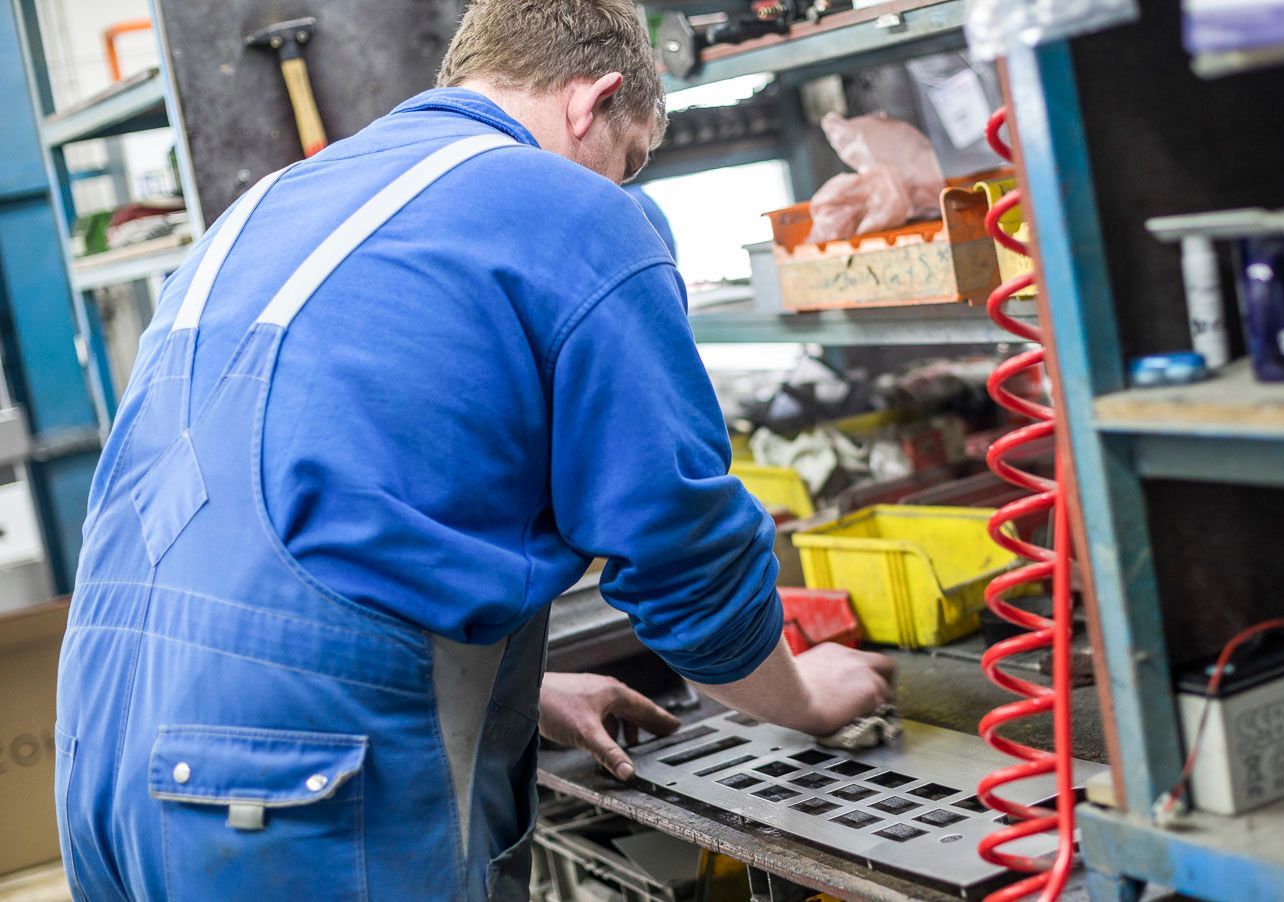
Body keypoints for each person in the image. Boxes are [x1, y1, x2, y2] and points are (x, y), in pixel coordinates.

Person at [54, 1, 893, 900]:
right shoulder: (574, 211)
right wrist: (800, 697)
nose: (623, 184)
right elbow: (679, 542)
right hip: (292, 792)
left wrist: (525, 694)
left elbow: (279, 536)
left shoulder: (269, 205)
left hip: (103, 751)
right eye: (632, 158)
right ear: (594, 101)